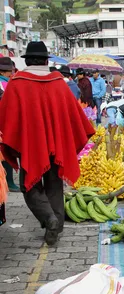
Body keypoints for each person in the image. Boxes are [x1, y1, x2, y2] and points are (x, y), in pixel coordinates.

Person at [0, 42, 95, 244]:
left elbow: (6, 115)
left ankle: (49, 218)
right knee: (54, 185)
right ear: (46, 61)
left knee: (30, 186)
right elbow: (74, 115)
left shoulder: (17, 82)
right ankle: (56, 226)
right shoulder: (59, 82)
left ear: (26, 61)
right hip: (57, 144)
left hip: (31, 145)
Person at [0, 57, 20, 192]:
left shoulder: (7, 82)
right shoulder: (3, 84)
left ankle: (9, 181)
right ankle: (9, 182)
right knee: (6, 151)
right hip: (4, 122)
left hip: (6, 121)